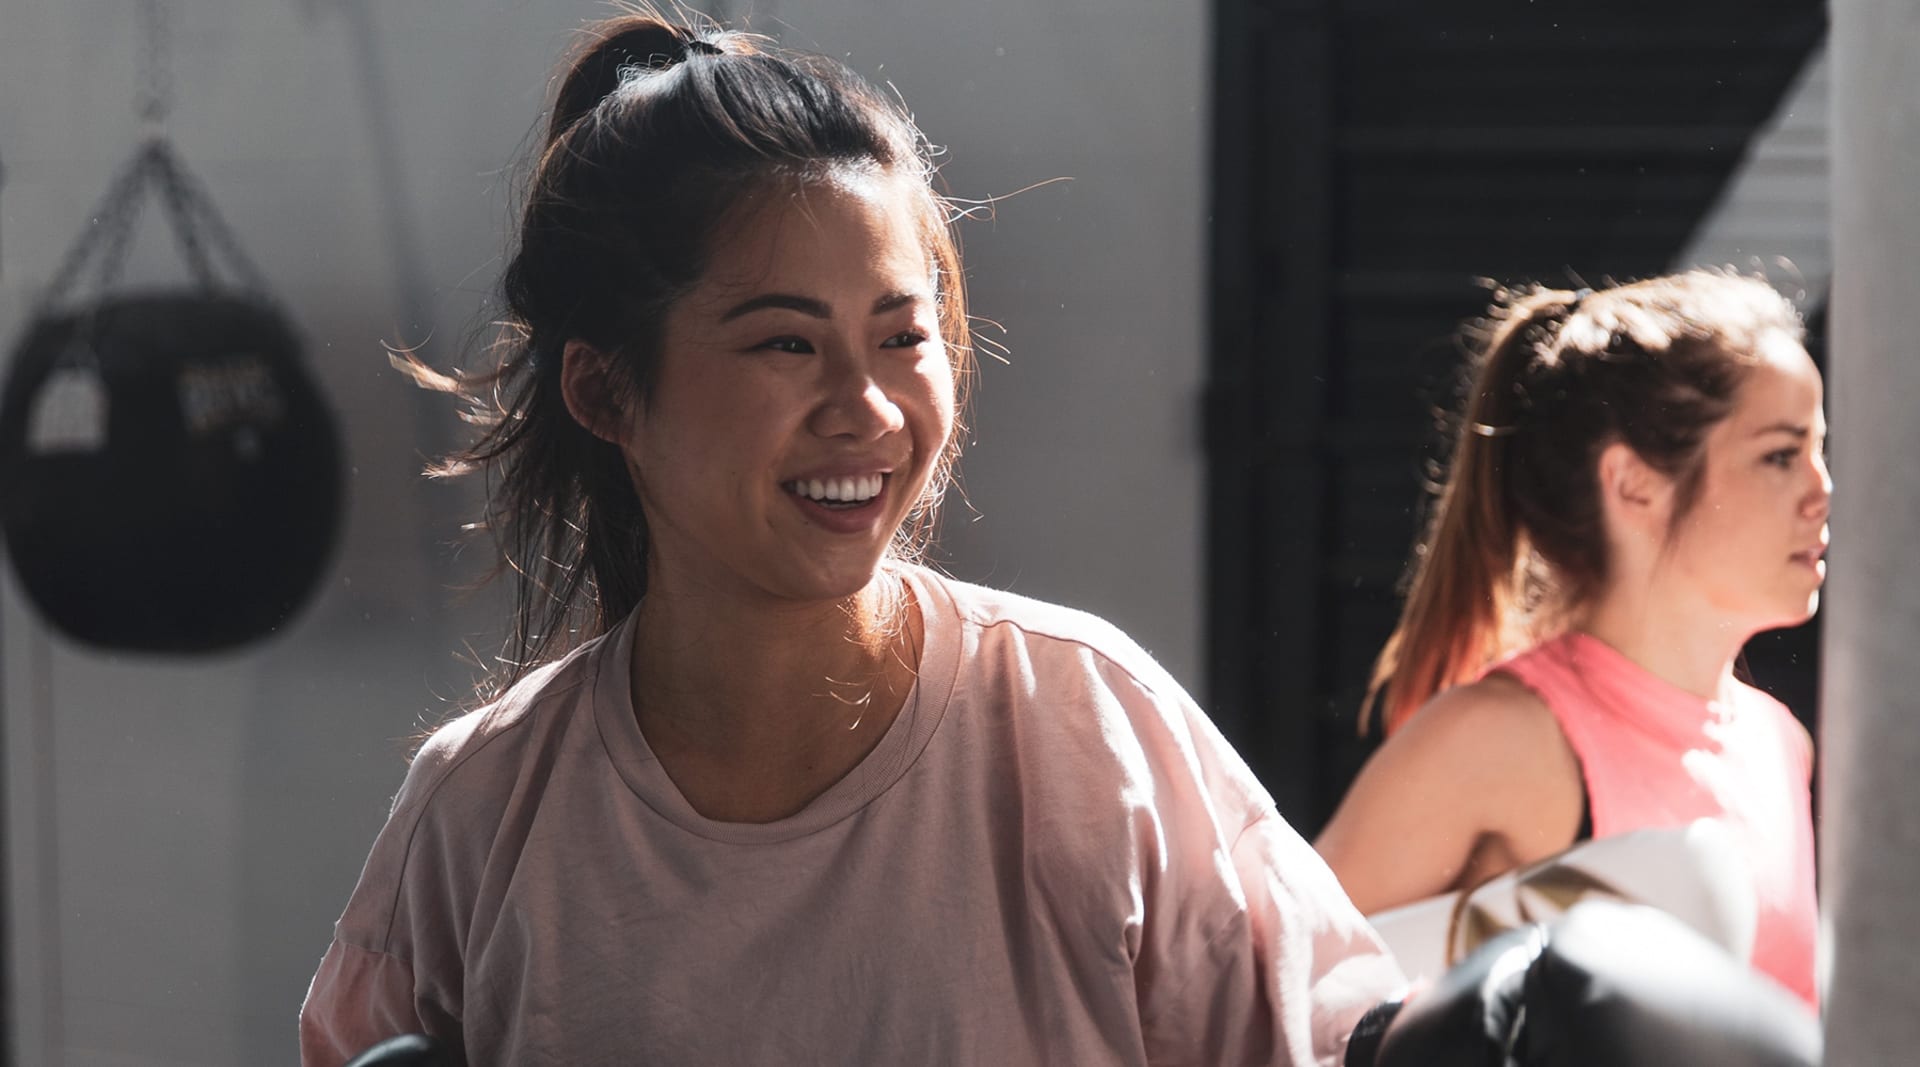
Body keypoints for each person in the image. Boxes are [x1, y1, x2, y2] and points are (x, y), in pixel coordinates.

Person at [297, 10, 1404, 1065]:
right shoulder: (483, 812)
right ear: (604, 390)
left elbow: (1335, 1031)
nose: (866, 407)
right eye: (785, 342)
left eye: (900, 335)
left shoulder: (1086, 729)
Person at [1313, 271, 1826, 1007]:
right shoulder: (1496, 738)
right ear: (1633, 484)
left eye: (1820, 447)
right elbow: (1263, 998)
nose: (1823, 489)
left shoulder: (1781, 743)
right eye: (1781, 454)